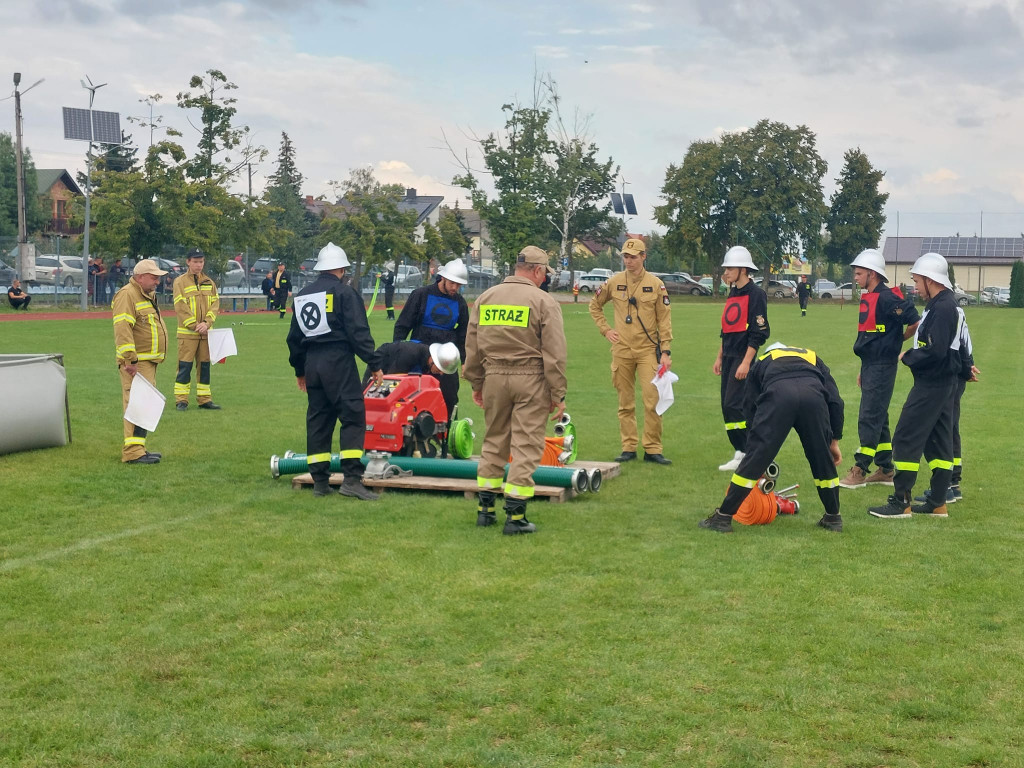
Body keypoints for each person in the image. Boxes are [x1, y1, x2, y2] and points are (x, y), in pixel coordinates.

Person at [464, 245, 568, 534]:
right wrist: (557, 393)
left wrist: (476, 382)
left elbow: (471, 345)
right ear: (536, 270)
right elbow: (555, 353)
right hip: (530, 378)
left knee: (494, 439)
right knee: (525, 444)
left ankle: (485, 510)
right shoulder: (543, 301)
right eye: (544, 273)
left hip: (494, 376)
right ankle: (516, 515)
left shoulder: (486, 297)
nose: (544, 278)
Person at [700, 342, 845, 533]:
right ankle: (833, 517)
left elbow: (750, 404)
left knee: (754, 460)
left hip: (779, 397)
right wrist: (833, 441)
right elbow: (835, 401)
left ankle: (723, 517)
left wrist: (755, 444)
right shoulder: (813, 357)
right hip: (813, 399)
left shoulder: (762, 360)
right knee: (822, 460)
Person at [286, 242, 384, 500]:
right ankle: (352, 479)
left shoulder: (303, 295)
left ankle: (320, 481)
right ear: (341, 268)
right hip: (338, 361)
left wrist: (300, 370)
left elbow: (294, 338)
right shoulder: (344, 293)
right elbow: (358, 332)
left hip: (312, 363)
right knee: (352, 416)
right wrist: (373, 363)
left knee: (318, 420)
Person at [868, 253, 962, 519]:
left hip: (932, 383)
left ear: (931, 280)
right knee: (938, 442)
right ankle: (938, 501)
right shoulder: (942, 304)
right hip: (943, 383)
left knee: (906, 437)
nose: (915, 287)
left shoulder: (942, 307)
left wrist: (907, 356)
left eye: (917, 281)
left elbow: (937, 350)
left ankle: (901, 502)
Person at [838, 249, 920, 489]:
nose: (855, 276)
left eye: (859, 272)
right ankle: (885, 468)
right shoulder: (870, 296)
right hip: (870, 364)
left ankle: (860, 469)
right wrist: (864, 367)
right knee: (879, 416)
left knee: (868, 417)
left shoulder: (887, 297)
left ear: (872, 274)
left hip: (883, 365)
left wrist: (896, 343)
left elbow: (915, 321)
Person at [587, 238, 673, 465]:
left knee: (652, 400)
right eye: (626, 256)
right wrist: (605, 330)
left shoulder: (656, 284)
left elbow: (664, 319)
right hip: (622, 349)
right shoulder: (614, 282)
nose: (629, 260)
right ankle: (628, 447)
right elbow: (594, 305)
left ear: (644, 257)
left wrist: (666, 351)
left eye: (633, 256)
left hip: (647, 350)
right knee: (625, 402)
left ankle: (653, 449)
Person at [713, 245, 770, 471]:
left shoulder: (757, 295)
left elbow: (758, 333)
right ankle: (740, 451)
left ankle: (750, 453)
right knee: (727, 407)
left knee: (735, 404)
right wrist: (719, 358)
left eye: (729, 269)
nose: (725, 273)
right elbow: (726, 329)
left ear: (743, 270)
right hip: (728, 357)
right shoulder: (733, 292)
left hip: (742, 358)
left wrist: (746, 362)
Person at [916, 307, 978, 506]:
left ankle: (949, 485)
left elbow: (960, 340)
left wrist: (967, 365)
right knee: (949, 426)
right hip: (948, 371)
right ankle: (952, 484)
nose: (916, 288)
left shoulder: (950, 309)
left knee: (945, 427)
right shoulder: (939, 308)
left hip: (951, 372)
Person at [393, 257, 469, 420]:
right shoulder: (421, 295)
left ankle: (448, 436)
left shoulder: (460, 303)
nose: (455, 288)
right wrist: (397, 350)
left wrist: (463, 360)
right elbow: (403, 325)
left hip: (446, 358)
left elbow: (463, 333)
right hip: (418, 355)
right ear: (443, 278)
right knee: (411, 397)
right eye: (452, 283)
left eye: (459, 285)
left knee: (449, 398)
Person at [112, 259, 169, 464]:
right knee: (136, 405)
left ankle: (139, 449)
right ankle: (132, 453)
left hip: (147, 362)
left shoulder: (146, 294)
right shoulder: (128, 294)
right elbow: (122, 328)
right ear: (140, 277)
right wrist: (130, 359)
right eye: (154, 277)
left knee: (144, 405)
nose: (157, 281)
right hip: (136, 363)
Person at [172, 248, 221, 411]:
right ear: (188, 262)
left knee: (205, 367)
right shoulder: (179, 282)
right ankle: (181, 400)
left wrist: (206, 323)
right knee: (184, 367)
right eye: (195, 262)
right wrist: (195, 325)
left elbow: (215, 305)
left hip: (206, 334)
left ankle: (204, 399)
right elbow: (180, 306)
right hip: (188, 334)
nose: (199, 265)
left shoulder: (209, 282)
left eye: (201, 262)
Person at [362, 340, 460, 386]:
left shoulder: (431, 364)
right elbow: (393, 382)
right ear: (432, 359)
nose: (441, 373)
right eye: (439, 369)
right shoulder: (411, 354)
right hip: (382, 364)